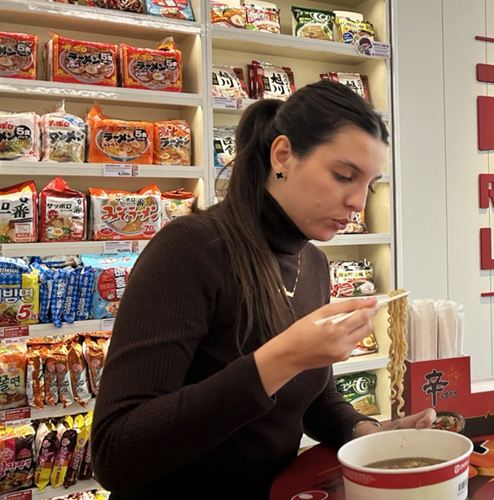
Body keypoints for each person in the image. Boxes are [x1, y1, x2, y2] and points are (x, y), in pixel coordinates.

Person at [91, 81, 436, 498]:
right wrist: (281, 357)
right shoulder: (192, 248)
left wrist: (369, 433)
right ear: (283, 156)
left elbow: (312, 398)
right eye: (344, 176)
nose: (359, 203)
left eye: (371, 184)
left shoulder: (312, 263)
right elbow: (115, 452)